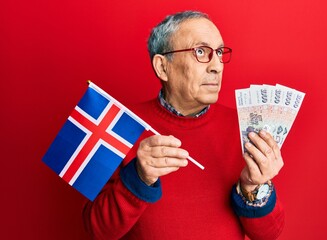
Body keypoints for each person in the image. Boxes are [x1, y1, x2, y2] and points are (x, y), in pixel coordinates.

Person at [83, 10, 285, 240]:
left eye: (219, 52)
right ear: (162, 67)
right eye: (201, 52)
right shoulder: (118, 125)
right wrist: (138, 177)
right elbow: (97, 230)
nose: (217, 66)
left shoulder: (245, 128)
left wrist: (254, 187)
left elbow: (270, 234)